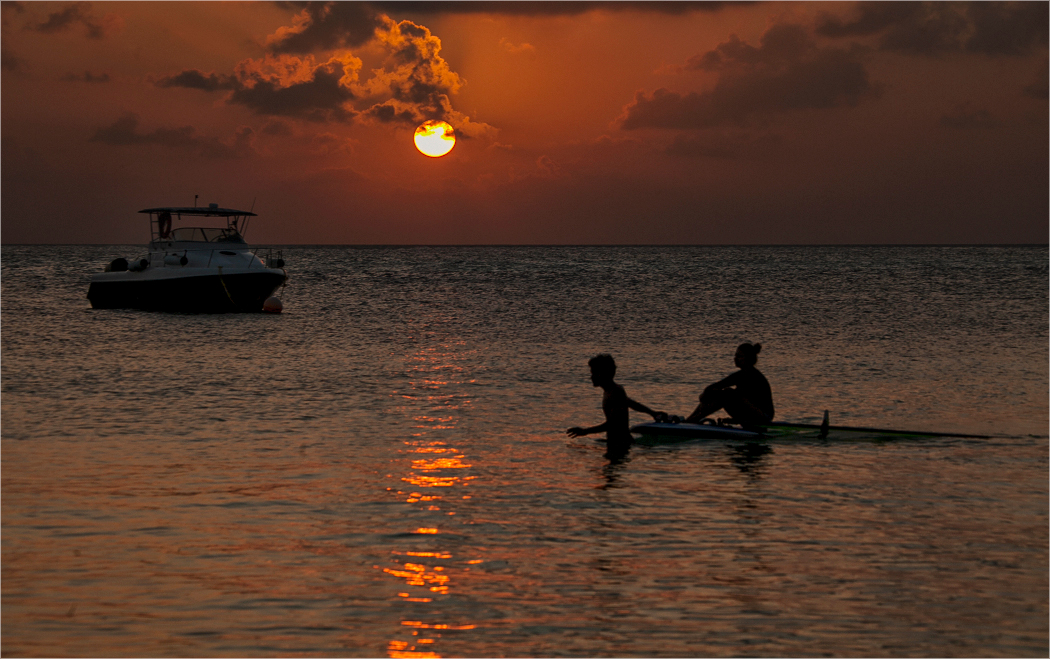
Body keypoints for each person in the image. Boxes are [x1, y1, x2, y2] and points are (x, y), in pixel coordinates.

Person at [566, 354, 665, 458]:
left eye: (593, 373)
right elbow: (631, 403)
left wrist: (585, 431)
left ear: (602, 373)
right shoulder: (611, 391)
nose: (591, 377)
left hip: (621, 444)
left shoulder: (616, 392)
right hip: (615, 443)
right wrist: (652, 413)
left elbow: (613, 423)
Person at [685, 342, 774, 426]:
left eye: (739, 356)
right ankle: (690, 419)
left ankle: (691, 420)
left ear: (748, 358)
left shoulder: (751, 375)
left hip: (763, 417)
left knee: (727, 393)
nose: (735, 358)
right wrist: (707, 395)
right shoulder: (742, 374)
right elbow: (713, 387)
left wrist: (705, 395)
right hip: (750, 413)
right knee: (721, 393)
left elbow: (720, 391)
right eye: (735, 355)